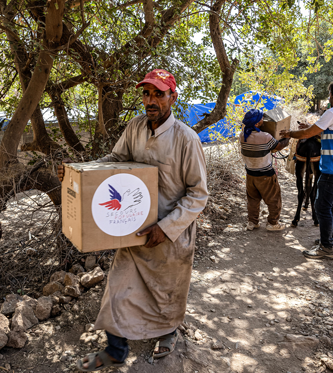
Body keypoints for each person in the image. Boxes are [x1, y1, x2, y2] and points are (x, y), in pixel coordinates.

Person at [58, 69, 208, 371]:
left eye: (158, 93)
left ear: (172, 97)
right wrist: (78, 171)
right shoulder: (136, 127)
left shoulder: (186, 139)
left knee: (166, 293)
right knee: (118, 288)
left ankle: (167, 333)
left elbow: (198, 194)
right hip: (133, 230)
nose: (150, 100)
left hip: (170, 236)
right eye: (146, 93)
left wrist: (165, 229)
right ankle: (115, 350)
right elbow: (114, 162)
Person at [280, 79, 333, 260]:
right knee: (330, 201)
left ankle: (326, 247)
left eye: (329, 95)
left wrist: (290, 133)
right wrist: (311, 128)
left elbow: (306, 135)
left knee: (321, 204)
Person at [240, 108, 290, 231]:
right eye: (261, 118)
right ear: (257, 123)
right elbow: (279, 146)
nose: (264, 120)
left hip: (250, 174)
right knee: (273, 198)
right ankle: (272, 223)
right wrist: (288, 137)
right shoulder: (265, 137)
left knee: (252, 199)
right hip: (266, 174)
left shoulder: (242, 135)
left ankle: (253, 222)